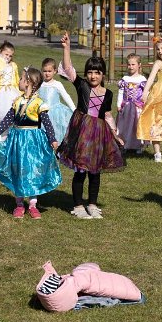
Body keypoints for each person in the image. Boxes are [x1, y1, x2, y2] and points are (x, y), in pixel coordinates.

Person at [56, 33, 125, 219]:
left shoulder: (108, 93)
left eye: (97, 72)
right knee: (81, 170)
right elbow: (68, 68)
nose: (93, 76)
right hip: (81, 132)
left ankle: (92, 204)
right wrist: (66, 48)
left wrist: (115, 134)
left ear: (103, 74)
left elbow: (107, 115)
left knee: (95, 171)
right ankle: (78, 205)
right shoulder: (82, 86)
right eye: (90, 72)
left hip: (99, 134)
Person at [0, 67, 62, 219]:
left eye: (21, 79)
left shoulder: (39, 103)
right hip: (17, 140)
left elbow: (47, 123)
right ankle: (19, 204)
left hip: (33, 141)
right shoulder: (17, 101)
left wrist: (52, 139)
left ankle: (33, 204)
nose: (18, 81)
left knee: (33, 170)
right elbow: (8, 118)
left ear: (29, 83)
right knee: (18, 169)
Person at [38, 57, 76, 144]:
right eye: (45, 71)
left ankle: (57, 149)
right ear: (41, 71)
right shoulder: (40, 84)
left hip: (56, 112)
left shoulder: (57, 84)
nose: (47, 73)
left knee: (56, 131)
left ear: (55, 71)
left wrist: (74, 110)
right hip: (42, 112)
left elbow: (66, 96)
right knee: (42, 131)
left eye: (49, 71)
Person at [115, 53, 147, 153]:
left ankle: (139, 145)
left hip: (138, 108)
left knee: (137, 126)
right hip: (127, 107)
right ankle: (124, 144)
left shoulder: (142, 79)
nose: (131, 67)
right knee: (125, 126)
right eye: (129, 64)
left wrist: (145, 104)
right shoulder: (125, 79)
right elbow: (120, 92)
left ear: (139, 65)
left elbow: (146, 94)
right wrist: (119, 104)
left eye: (133, 64)